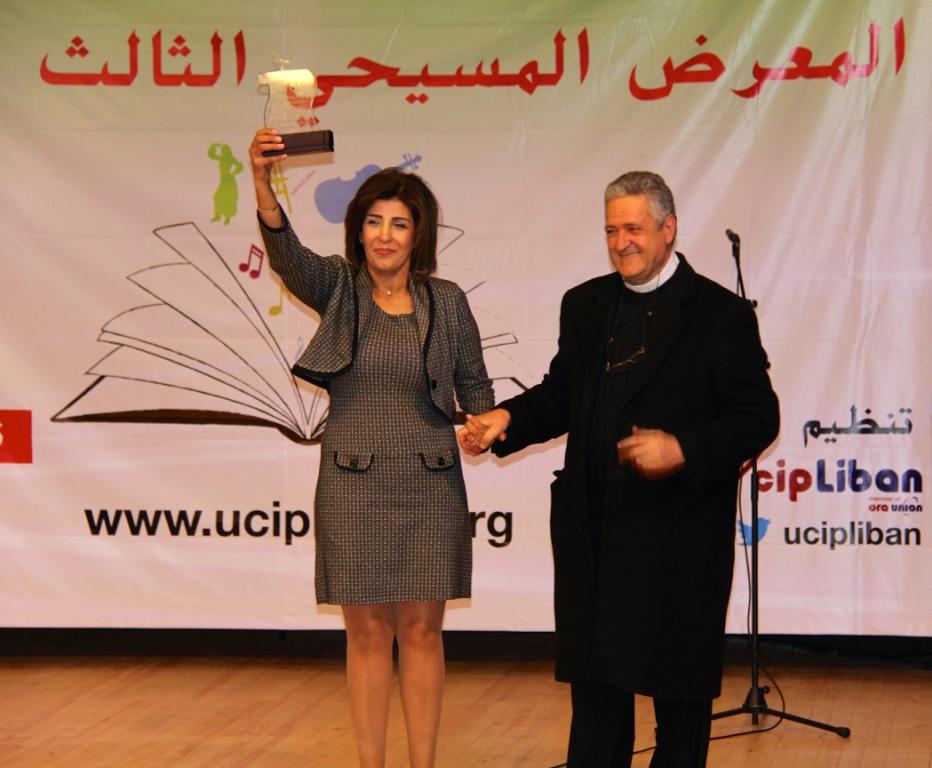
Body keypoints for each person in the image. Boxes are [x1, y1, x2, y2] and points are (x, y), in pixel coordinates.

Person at [459, 171, 779, 767]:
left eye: (633, 228)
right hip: (594, 534)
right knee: (597, 701)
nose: (621, 242)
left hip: (678, 539)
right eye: (611, 230)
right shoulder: (585, 305)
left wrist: (684, 448)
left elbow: (759, 417)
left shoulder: (720, 313)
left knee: (678, 706)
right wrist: (508, 418)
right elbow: (562, 394)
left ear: (668, 228)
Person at [249, 128, 494, 768]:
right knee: (366, 634)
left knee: (421, 632)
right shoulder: (337, 289)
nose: (386, 235)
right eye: (375, 222)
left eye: (400, 224)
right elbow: (286, 253)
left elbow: (476, 387)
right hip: (352, 484)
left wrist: (483, 423)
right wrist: (262, 182)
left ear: (418, 236)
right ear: (358, 231)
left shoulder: (448, 302)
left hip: (431, 484)